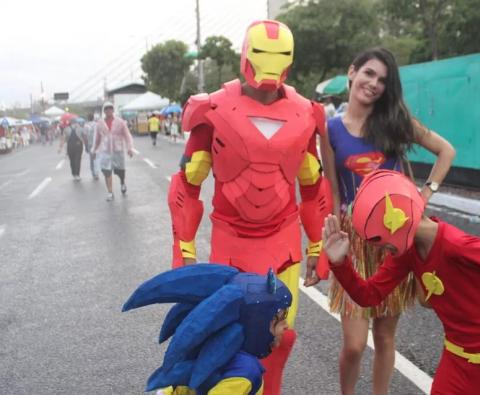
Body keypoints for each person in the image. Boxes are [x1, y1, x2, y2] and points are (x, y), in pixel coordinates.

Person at [167, 19, 332, 395]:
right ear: (246, 55)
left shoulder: (305, 113)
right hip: (232, 242)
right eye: (263, 55)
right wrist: (183, 248)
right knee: (224, 336)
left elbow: (312, 186)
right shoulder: (213, 108)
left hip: (283, 240)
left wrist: (317, 245)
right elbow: (187, 184)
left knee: (280, 338)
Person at [323, 170, 480, 395]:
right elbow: (370, 295)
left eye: (379, 241)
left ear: (395, 222)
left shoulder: (457, 245)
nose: (380, 249)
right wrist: (340, 263)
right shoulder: (407, 252)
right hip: (455, 362)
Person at [319, 47, 455, 395]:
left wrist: (424, 196)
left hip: (394, 239)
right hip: (353, 242)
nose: (374, 84)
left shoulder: (394, 121)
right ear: (352, 72)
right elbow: (333, 190)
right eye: (368, 74)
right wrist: (326, 246)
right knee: (353, 344)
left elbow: (446, 151)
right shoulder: (330, 130)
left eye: (382, 79)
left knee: (383, 336)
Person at [123, 264, 292, 395]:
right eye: (278, 319)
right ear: (257, 323)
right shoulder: (246, 371)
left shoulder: (202, 346)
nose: (287, 326)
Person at [92, 102, 134, 201]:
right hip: (105, 151)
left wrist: (129, 148)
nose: (108, 110)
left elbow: (127, 136)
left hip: (118, 150)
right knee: (106, 171)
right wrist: (94, 150)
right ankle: (110, 192)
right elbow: (97, 138)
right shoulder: (99, 123)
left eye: (110, 108)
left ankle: (122, 182)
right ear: (104, 111)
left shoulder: (120, 122)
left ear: (113, 110)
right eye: (106, 109)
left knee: (120, 171)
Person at [83, 113, 99, 180]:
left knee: (92, 159)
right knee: (97, 158)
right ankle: (97, 172)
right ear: (93, 118)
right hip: (97, 144)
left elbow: (85, 136)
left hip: (90, 144)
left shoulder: (86, 126)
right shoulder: (96, 124)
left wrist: (85, 146)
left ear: (87, 118)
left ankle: (93, 173)